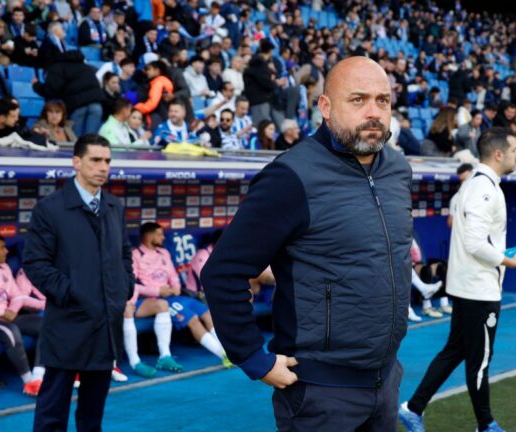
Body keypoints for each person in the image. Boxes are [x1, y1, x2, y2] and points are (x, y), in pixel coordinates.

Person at [201, 56, 413, 431]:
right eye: (358, 99)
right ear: (326, 107)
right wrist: (254, 359)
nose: (374, 111)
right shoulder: (291, 176)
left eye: (383, 100)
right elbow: (224, 272)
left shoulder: (397, 170)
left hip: (385, 383)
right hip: (320, 393)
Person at [399, 127, 516, 432]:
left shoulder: (471, 185)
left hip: (467, 285)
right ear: (498, 154)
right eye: (513, 150)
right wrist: (507, 259)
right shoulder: (486, 189)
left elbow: (474, 238)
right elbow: (474, 242)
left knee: (455, 351)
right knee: (480, 360)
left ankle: (413, 408)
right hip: (478, 289)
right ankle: (485, 424)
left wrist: (502, 252)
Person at [25, 135, 135, 432]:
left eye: (107, 161)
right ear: (76, 162)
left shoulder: (114, 206)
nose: (103, 167)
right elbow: (35, 263)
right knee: (52, 413)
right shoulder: (50, 208)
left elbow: (124, 252)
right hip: (67, 323)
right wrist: (73, 293)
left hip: (106, 325)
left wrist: (125, 287)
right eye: (95, 160)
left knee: (92, 415)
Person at [133, 222, 231, 366]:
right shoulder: (134, 254)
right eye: (159, 234)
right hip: (154, 300)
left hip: (174, 295)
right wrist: (158, 291)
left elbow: (173, 276)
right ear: (149, 236)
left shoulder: (164, 252)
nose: (163, 238)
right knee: (193, 319)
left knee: (207, 314)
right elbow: (132, 285)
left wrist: (176, 287)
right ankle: (223, 355)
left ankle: (229, 350)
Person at [0, 234, 45, 396]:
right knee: (11, 332)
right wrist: (1, 312)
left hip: (9, 315)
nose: (6, 251)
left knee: (46, 326)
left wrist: (10, 312)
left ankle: (38, 377)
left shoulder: (4, 268)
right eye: (2, 248)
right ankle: (28, 382)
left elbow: (17, 295)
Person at [33, 50, 105, 137]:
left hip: (77, 105)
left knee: (75, 141)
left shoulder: (58, 67)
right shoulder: (87, 67)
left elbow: (51, 91)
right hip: (96, 105)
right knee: (90, 139)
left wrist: (36, 85)